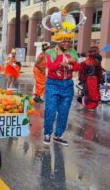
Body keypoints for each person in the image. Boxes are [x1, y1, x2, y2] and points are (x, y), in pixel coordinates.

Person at [42, 9, 85, 146]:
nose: (67, 43)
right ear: (58, 40)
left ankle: (58, 135)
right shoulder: (50, 52)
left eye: (68, 40)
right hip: (53, 84)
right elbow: (51, 66)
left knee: (64, 112)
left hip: (67, 85)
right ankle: (47, 133)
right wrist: (63, 62)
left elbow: (78, 68)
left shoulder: (73, 52)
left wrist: (70, 65)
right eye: (64, 40)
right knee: (51, 110)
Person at [78, 46, 104, 111]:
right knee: (90, 93)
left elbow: (99, 71)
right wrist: (82, 80)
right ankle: (90, 105)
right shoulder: (86, 62)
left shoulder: (96, 62)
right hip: (89, 80)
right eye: (97, 51)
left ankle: (91, 105)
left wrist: (100, 79)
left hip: (94, 79)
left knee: (93, 93)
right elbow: (82, 72)